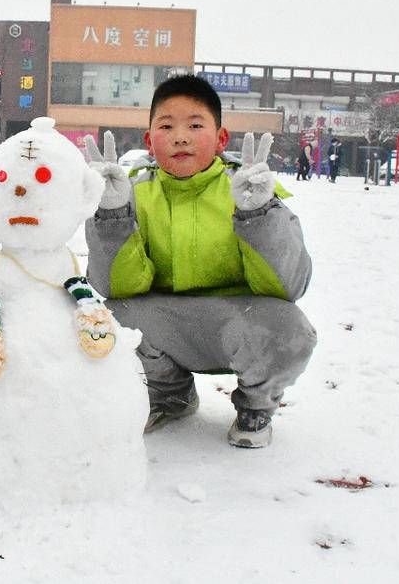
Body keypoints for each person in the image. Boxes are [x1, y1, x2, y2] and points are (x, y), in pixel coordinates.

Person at [85, 75, 316, 448]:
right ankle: (169, 393)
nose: (180, 137)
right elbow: (115, 288)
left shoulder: (247, 190)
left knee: (290, 330)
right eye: (166, 126)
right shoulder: (133, 193)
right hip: (166, 323)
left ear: (221, 138)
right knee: (106, 320)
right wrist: (113, 218)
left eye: (195, 125)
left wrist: (258, 216)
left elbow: (289, 287)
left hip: (238, 322)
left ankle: (256, 406)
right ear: (149, 140)